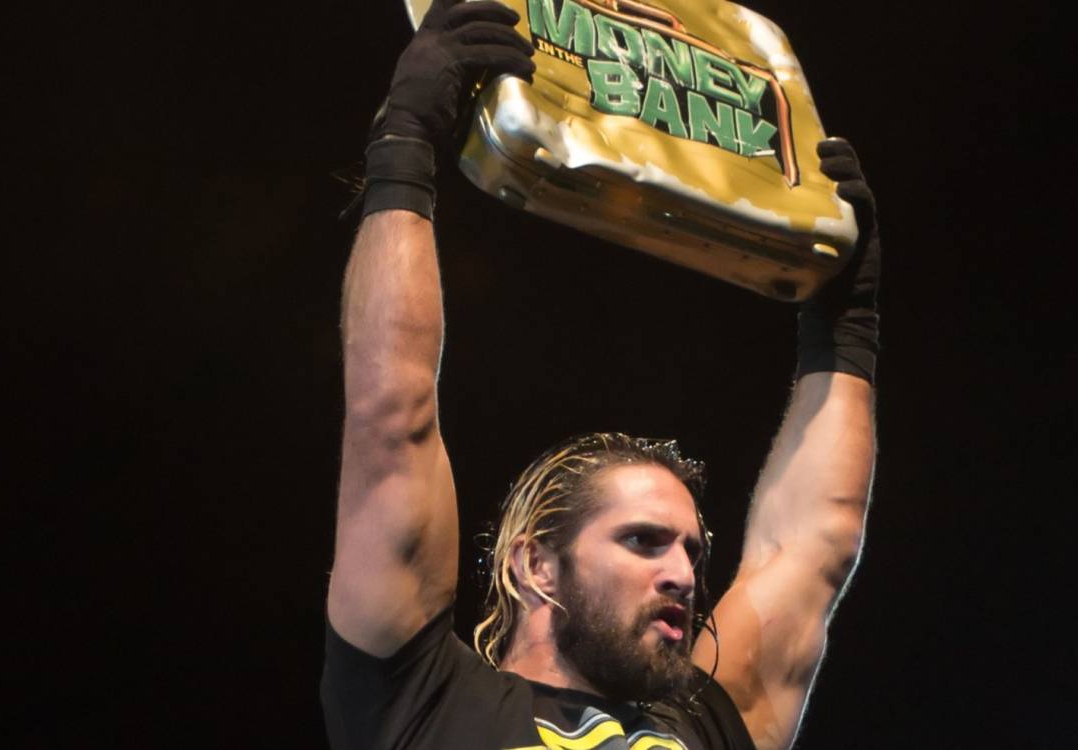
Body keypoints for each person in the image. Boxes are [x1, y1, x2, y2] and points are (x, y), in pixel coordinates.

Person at [322, 2, 882, 748]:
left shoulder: (711, 724)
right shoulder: (420, 699)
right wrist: (402, 150)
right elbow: (392, 417)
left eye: (691, 549)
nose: (685, 572)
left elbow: (814, 545)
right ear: (536, 568)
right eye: (645, 541)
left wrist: (845, 325)